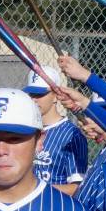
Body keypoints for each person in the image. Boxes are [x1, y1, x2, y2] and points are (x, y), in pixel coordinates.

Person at [23, 66, 88, 195]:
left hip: (55, 208)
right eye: (32, 94)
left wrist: (35, 191)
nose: (34, 99)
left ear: (56, 96)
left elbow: (77, 188)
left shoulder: (71, 134)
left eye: (40, 94)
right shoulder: (24, 130)